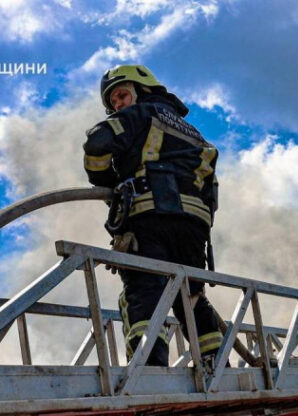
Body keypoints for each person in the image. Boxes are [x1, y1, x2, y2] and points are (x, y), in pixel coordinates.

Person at [83, 64, 223, 367]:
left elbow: (97, 142)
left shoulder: (140, 115)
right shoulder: (194, 133)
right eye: (114, 103)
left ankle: (149, 367)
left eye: (122, 95)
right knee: (190, 297)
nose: (118, 105)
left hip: (149, 218)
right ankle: (215, 362)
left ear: (143, 89)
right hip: (194, 228)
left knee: (145, 291)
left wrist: (108, 181)